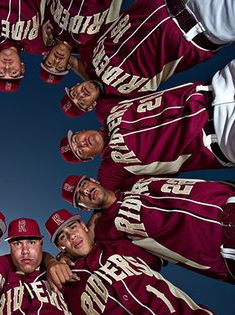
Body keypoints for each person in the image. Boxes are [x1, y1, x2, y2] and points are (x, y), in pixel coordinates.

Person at [59, 59, 235, 190]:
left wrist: (70, 58)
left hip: (218, 87)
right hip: (220, 138)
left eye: (76, 139)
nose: (82, 143)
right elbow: (105, 203)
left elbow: (93, 81)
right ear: (88, 159)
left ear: (81, 130)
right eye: (79, 151)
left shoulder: (106, 109)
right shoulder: (110, 170)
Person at [58, 0, 235, 119]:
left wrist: (71, 63)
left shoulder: (88, 53)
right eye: (81, 103)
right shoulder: (117, 101)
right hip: (207, 29)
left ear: (75, 85)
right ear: (91, 107)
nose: (81, 95)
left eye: (74, 93)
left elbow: (69, 54)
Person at [61, 174, 235, 284]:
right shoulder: (106, 232)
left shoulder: (127, 179)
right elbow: (89, 247)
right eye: (79, 196)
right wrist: (58, 259)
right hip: (224, 251)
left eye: (84, 184)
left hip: (226, 199)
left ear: (94, 180)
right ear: (84, 208)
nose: (85, 191)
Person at [44, 209, 213, 314]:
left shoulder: (122, 244)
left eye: (73, 227)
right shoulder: (65, 285)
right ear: (61, 247)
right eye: (63, 236)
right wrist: (48, 260)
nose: (71, 235)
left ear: (84, 226)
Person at [0, 217, 71, 314]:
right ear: (10, 247)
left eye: (31, 242)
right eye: (18, 243)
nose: (25, 251)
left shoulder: (60, 269)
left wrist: (51, 261)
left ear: (41, 244)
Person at [39, 0, 122, 84]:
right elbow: (96, 84)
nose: (57, 60)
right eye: (59, 67)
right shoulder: (89, 45)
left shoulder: (46, 24)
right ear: (68, 65)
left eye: (50, 63)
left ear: (46, 55)